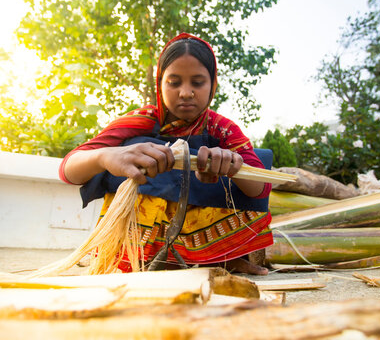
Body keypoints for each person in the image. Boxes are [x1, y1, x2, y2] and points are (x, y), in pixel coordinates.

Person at [59, 33, 272, 275]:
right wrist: (106, 156)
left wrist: (232, 165)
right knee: (137, 145)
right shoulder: (141, 121)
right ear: (159, 84)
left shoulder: (222, 129)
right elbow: (69, 170)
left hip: (214, 249)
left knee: (249, 163)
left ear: (213, 86)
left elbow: (262, 187)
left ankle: (218, 255)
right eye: (174, 82)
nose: (186, 92)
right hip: (138, 249)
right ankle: (139, 253)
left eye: (198, 82)